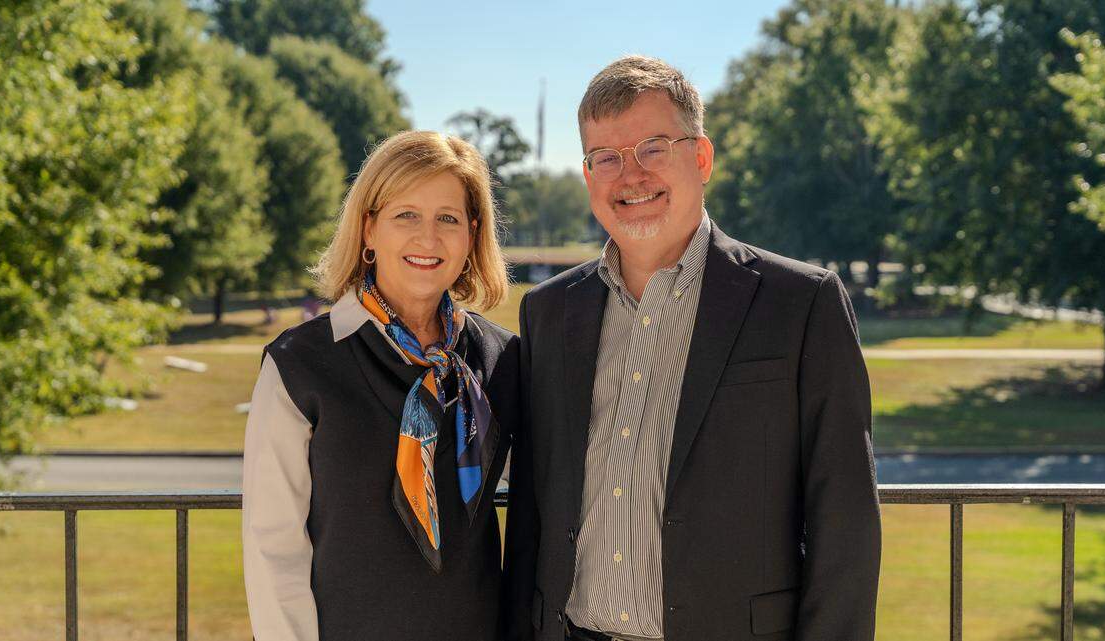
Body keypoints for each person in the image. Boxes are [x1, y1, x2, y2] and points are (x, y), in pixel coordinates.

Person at [503, 56, 881, 641]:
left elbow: (846, 521)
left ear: (701, 157)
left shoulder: (801, 304)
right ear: (588, 176)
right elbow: (532, 509)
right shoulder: (550, 312)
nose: (630, 175)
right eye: (606, 157)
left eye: (653, 148)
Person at [243, 130, 519, 641]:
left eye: (448, 219)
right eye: (405, 215)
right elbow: (272, 546)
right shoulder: (299, 364)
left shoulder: (503, 360)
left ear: (472, 234)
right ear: (369, 229)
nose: (428, 238)